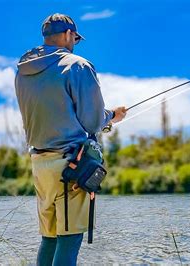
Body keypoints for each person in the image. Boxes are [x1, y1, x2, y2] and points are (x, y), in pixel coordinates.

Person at [15, 13, 126, 265]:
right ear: (68, 34)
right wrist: (112, 116)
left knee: (50, 237)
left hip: (39, 165)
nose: (75, 42)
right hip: (70, 167)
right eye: (75, 37)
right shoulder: (77, 65)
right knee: (69, 239)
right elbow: (93, 121)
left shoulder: (23, 71)